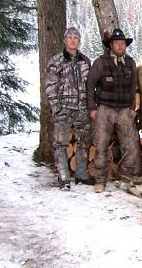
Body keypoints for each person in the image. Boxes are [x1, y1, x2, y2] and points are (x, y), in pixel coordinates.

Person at [86, 28, 142, 193]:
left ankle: (126, 176)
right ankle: (100, 180)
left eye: (123, 43)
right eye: (117, 43)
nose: (120, 46)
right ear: (111, 45)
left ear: (126, 45)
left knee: (131, 144)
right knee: (101, 145)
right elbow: (90, 85)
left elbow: (133, 87)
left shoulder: (131, 63)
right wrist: (92, 108)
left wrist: (132, 108)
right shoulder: (100, 62)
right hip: (105, 109)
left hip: (125, 110)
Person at [45, 27, 94, 190]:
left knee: (84, 142)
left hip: (82, 109)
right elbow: (50, 86)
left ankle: (81, 174)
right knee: (60, 144)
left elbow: (90, 86)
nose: (73, 40)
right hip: (64, 109)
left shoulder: (85, 61)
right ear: (65, 40)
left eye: (76, 38)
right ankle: (64, 177)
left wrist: (90, 106)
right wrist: (55, 107)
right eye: (70, 37)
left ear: (79, 40)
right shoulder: (56, 61)